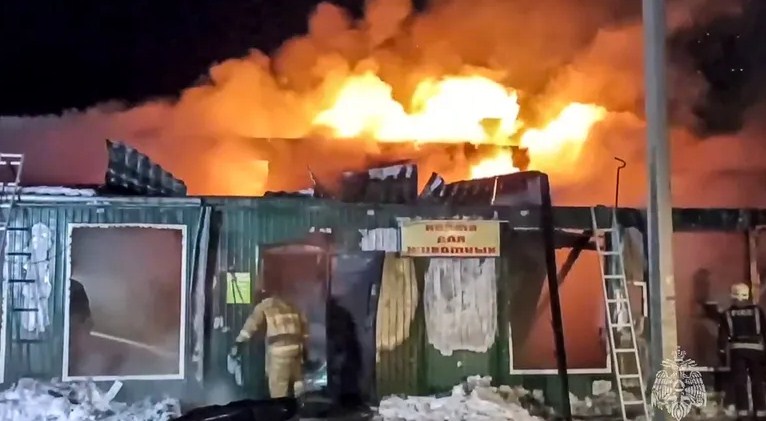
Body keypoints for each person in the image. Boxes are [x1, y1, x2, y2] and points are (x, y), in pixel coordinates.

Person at [233, 290, 308, 399]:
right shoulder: (291, 305)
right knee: (297, 382)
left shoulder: (265, 306)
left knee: (279, 387)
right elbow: (304, 326)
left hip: (279, 353)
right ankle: (300, 403)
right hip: (296, 350)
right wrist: (305, 347)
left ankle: (281, 406)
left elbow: (251, 325)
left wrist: (239, 342)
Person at [719, 282, 766, 420]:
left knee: (740, 381)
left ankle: (743, 411)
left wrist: (721, 351)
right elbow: (764, 330)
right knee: (757, 380)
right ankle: (761, 411)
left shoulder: (727, 313)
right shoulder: (757, 311)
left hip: (737, 350)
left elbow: (722, 337)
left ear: (733, 296)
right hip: (756, 350)